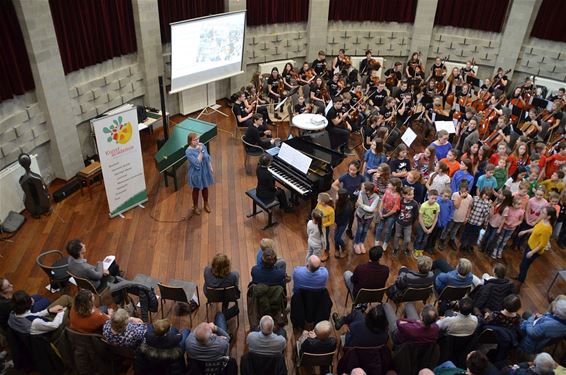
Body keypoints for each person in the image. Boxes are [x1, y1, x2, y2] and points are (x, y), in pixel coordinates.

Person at [516, 206, 556, 285]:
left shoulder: (547, 229)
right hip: (530, 245)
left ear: (549, 217)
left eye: (543, 213)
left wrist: (532, 252)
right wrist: (525, 231)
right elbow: (535, 229)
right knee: (522, 264)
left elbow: (542, 244)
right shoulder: (542, 221)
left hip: (534, 250)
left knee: (524, 266)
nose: (541, 213)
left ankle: (519, 283)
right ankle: (519, 277)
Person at [7, 290, 72, 337]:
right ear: (30, 304)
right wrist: (61, 312)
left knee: (65, 298)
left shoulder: (13, 314)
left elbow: (34, 315)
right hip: (50, 333)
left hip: (42, 324)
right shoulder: (34, 322)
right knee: (66, 308)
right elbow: (54, 325)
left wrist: (49, 310)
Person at [203, 253, 240, 321]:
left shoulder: (206, 271)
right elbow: (236, 285)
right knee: (227, 292)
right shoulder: (233, 276)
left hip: (211, 295)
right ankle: (225, 308)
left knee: (223, 291)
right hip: (228, 296)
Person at [185, 132, 214, 215]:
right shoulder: (188, 151)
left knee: (205, 187)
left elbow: (207, 157)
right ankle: (195, 206)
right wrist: (200, 152)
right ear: (190, 141)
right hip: (196, 173)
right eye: (194, 140)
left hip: (204, 170)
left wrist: (210, 166)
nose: (197, 141)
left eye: (198, 139)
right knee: (196, 189)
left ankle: (206, 203)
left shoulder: (202, 145)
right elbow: (197, 162)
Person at [353, 182, 380, 254]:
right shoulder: (361, 193)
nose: (361, 188)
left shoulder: (376, 197)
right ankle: (356, 243)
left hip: (369, 217)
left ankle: (361, 242)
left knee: (365, 230)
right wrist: (369, 208)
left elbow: (371, 209)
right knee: (360, 230)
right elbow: (371, 208)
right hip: (360, 215)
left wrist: (362, 205)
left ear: (368, 191)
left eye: (363, 187)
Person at [393, 186, 419, 255]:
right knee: (397, 235)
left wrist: (411, 222)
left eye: (412, 194)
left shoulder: (414, 203)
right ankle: (396, 248)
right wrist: (397, 218)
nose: (412, 196)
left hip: (408, 225)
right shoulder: (400, 201)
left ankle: (404, 248)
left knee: (407, 239)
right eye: (409, 195)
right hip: (399, 223)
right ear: (404, 195)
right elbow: (397, 211)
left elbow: (416, 214)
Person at [414, 189, 440, 257]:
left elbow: (436, 217)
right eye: (432, 198)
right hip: (422, 226)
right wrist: (424, 228)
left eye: (435, 198)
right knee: (419, 238)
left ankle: (420, 250)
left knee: (425, 240)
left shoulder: (437, 206)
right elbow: (420, 218)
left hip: (430, 226)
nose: (434, 200)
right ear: (428, 196)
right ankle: (416, 250)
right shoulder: (423, 205)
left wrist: (431, 228)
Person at [315, 192, 335, 261]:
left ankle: (326, 252)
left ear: (323, 202)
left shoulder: (331, 210)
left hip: (324, 227)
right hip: (317, 224)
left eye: (318, 199)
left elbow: (331, 222)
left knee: (325, 240)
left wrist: (323, 225)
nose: (317, 200)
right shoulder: (319, 204)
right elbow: (315, 211)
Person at [334, 188, 354, 258]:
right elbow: (336, 211)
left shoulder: (348, 207)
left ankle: (343, 247)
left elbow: (344, 219)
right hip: (338, 222)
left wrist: (337, 223)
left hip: (342, 223)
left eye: (338, 195)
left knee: (336, 238)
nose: (336, 195)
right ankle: (336, 248)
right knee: (336, 236)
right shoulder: (338, 202)